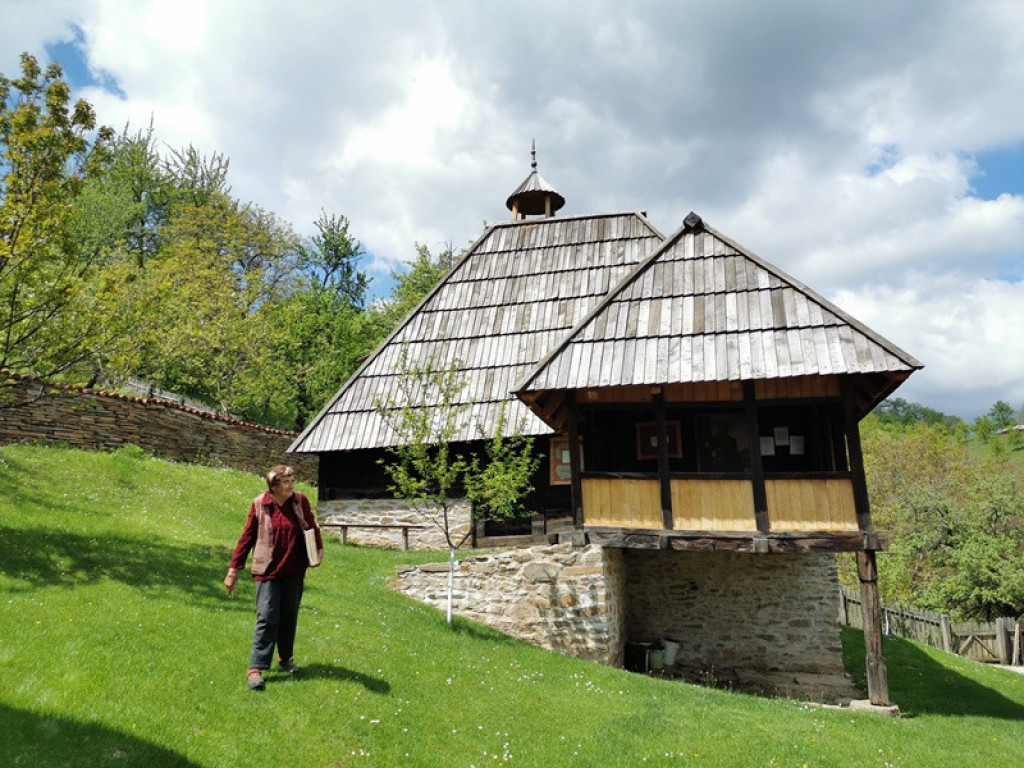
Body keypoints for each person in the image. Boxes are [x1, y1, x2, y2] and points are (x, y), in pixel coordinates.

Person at [224, 464, 322, 690]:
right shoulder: (261, 504)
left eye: (292, 480)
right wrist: (233, 570)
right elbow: (247, 537)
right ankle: (255, 668)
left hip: (294, 568)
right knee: (267, 616)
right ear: (273, 486)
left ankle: (285, 658)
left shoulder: (300, 501)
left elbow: (312, 527)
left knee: (289, 614)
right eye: (286, 482)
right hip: (267, 569)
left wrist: (317, 551)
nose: (291, 485)